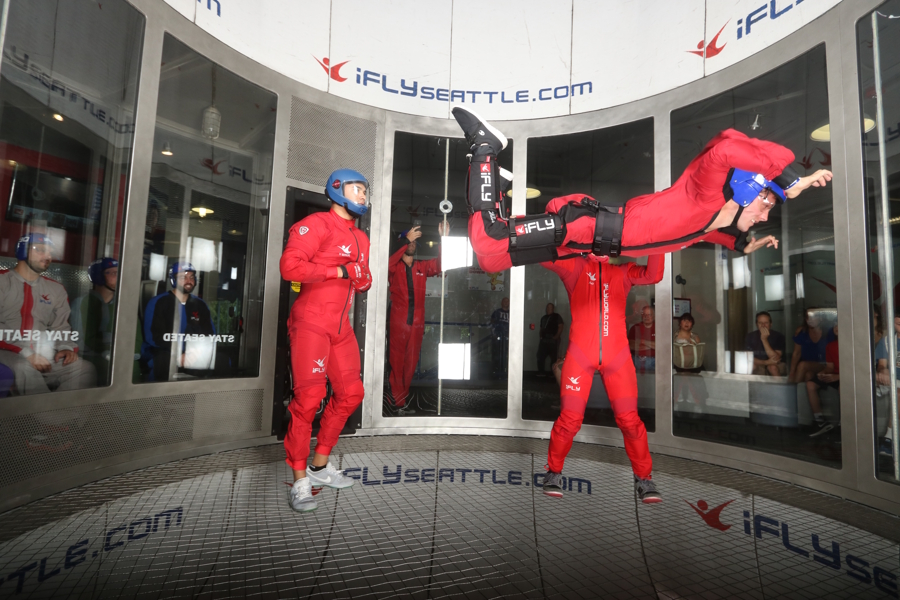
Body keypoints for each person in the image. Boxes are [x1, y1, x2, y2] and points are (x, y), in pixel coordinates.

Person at [450, 106, 832, 273]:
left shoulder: (710, 224)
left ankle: (497, 183)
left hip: (582, 247)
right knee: (486, 239)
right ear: (748, 189)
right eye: (766, 205)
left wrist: (749, 245)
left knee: (491, 260)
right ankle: (485, 148)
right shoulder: (706, 196)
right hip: (586, 227)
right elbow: (726, 146)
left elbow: (723, 239)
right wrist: (789, 178)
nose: (766, 216)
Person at [280, 168, 372, 513]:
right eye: (355, 188)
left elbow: (361, 276)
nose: (362, 195)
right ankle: (300, 480)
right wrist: (339, 271)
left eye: (365, 190)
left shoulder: (360, 237)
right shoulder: (316, 224)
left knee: (352, 393)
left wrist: (362, 280)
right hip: (310, 323)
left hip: (340, 327)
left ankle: (319, 467)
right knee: (308, 400)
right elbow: (290, 268)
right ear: (337, 189)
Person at [541, 255, 665, 503]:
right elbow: (546, 256)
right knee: (569, 420)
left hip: (616, 357)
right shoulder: (576, 266)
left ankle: (644, 479)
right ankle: (553, 473)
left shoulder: (624, 270)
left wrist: (657, 243)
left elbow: (654, 275)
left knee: (630, 421)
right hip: (580, 355)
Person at [0, 233, 96, 395]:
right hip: (7, 351)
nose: (48, 256)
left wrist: (65, 348)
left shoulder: (56, 289)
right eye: (41, 250)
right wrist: (27, 353)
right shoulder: (2, 281)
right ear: (23, 251)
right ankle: (45, 420)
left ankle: (59, 418)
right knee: (24, 368)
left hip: (43, 353)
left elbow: (61, 326)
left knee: (85, 369)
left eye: (50, 252)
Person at [387, 223, 446, 414]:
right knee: (396, 362)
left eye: (414, 241)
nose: (412, 244)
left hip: (417, 322)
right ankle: (397, 402)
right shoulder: (393, 267)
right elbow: (385, 264)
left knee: (410, 363)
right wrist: (405, 240)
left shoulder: (422, 266)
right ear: (402, 243)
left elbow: (440, 265)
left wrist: (443, 239)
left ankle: (401, 401)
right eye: (408, 240)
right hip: (399, 320)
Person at [142, 262, 220, 382]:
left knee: (222, 361)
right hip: (165, 355)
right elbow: (153, 337)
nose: (189, 280)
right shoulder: (158, 302)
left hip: (195, 354)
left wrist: (195, 352)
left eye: (191, 277)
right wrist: (179, 354)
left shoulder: (200, 305)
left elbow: (209, 334)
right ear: (173, 279)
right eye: (183, 277)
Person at [71, 257, 118, 386]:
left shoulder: (122, 303)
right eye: (112, 273)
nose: (118, 276)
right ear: (99, 276)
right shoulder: (83, 302)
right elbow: (83, 341)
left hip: (115, 354)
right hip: (90, 357)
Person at [789, 310, 835, 434]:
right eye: (807, 318)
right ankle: (809, 419)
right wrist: (792, 372)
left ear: (820, 319)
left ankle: (792, 402)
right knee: (808, 375)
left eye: (813, 318)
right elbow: (796, 353)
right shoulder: (802, 332)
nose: (810, 320)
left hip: (826, 365)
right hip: (809, 368)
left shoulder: (829, 332)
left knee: (803, 365)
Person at [807, 318, 839, 438]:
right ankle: (820, 421)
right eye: (835, 325)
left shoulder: (851, 344)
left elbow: (855, 369)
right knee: (810, 384)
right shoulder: (830, 346)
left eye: (840, 325)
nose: (836, 327)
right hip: (833, 374)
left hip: (845, 376)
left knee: (844, 387)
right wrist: (823, 372)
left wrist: (838, 377)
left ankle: (843, 425)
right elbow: (830, 367)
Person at [673, 313, 707, 408]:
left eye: (689, 320)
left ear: (692, 324)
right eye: (684, 320)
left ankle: (699, 405)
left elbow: (699, 353)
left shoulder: (695, 336)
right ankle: (676, 405)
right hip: (678, 366)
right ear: (680, 323)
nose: (687, 322)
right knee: (677, 387)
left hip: (694, 367)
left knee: (696, 387)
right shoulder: (674, 336)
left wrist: (693, 344)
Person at [745, 311, 786, 376]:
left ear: (770, 324)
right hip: (758, 363)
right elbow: (748, 357)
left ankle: (779, 386)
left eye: (766, 323)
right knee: (749, 366)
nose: (763, 325)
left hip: (776, 364)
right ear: (757, 324)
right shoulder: (750, 336)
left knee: (772, 367)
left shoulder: (778, 336)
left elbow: (775, 359)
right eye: (760, 323)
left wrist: (764, 340)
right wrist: (765, 362)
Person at [537, 303, 564, 376]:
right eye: (547, 307)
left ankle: (553, 374)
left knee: (554, 357)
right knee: (540, 356)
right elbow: (541, 328)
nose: (548, 309)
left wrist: (556, 336)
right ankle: (541, 372)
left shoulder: (557, 316)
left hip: (553, 339)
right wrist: (541, 337)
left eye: (550, 307)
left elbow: (560, 326)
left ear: (553, 308)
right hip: (544, 339)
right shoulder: (543, 317)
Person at [628, 306, 656, 373]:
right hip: (636, 360)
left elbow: (660, 346)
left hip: (654, 361)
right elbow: (631, 346)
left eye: (649, 314)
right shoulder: (635, 327)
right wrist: (652, 345)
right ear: (641, 316)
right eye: (644, 314)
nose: (646, 316)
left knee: (652, 382)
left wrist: (642, 341)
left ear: (654, 316)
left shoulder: (658, 328)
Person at [491, 297, 510, 378]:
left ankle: (506, 370)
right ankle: (496, 370)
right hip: (498, 337)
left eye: (507, 301)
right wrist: (494, 334)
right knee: (497, 353)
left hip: (508, 337)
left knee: (507, 354)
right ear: (501, 302)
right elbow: (492, 324)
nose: (506, 302)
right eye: (504, 301)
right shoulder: (497, 312)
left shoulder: (512, 312)